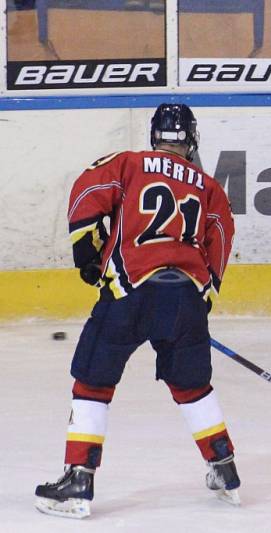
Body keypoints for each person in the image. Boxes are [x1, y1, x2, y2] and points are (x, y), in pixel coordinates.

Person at [34, 103, 239, 519]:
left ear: (154, 136)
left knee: (93, 379)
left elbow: (88, 191)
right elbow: (219, 236)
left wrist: (87, 251)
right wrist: (205, 296)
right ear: (192, 139)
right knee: (192, 384)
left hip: (130, 288)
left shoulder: (128, 163)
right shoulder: (209, 187)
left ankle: (79, 477)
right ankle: (224, 468)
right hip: (185, 294)